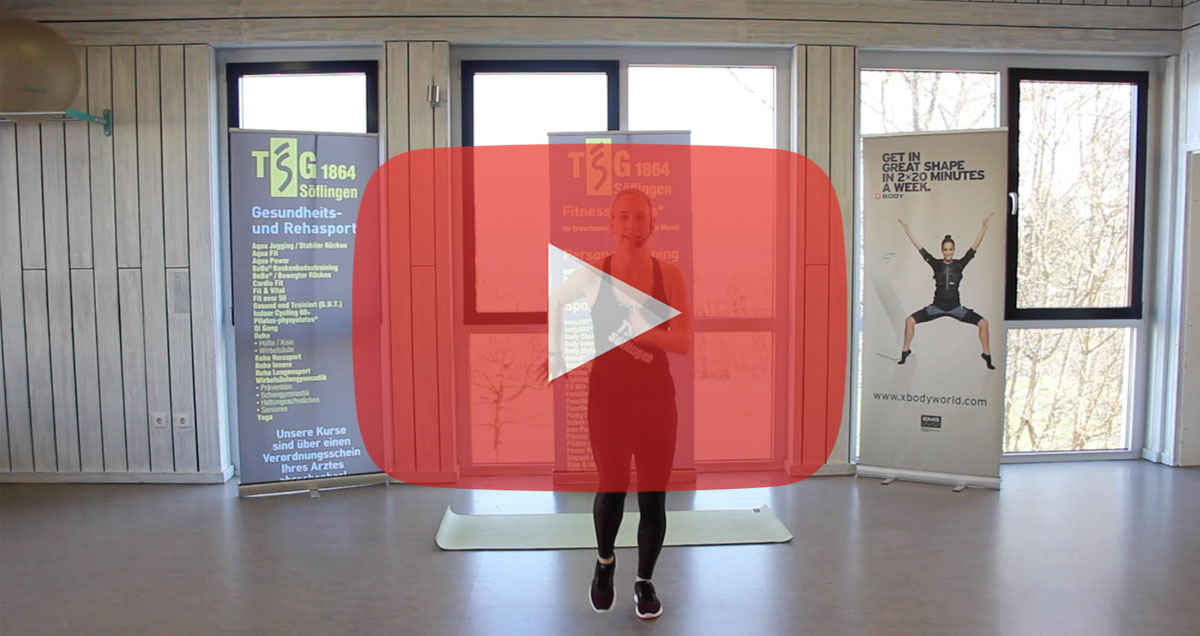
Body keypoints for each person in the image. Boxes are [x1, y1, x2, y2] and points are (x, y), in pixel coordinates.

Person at [547, 188, 692, 620]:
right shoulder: (594, 274)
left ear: (653, 223)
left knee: (653, 498)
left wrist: (640, 332)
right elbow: (557, 300)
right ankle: (605, 564)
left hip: (657, 400)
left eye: (640, 216)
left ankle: (644, 581)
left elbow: (684, 342)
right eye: (623, 216)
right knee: (611, 487)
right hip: (608, 399)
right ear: (611, 224)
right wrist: (557, 352)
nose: (632, 225)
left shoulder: (671, 275)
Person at [897, 212, 994, 369]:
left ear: (954, 250)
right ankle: (905, 351)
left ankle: (987, 355)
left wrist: (984, 228)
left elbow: (973, 248)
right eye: (945, 250)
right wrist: (908, 231)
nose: (948, 252)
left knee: (984, 323)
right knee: (909, 321)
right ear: (942, 250)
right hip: (936, 308)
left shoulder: (960, 264)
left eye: (950, 249)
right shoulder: (936, 263)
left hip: (956, 309)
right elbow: (920, 249)